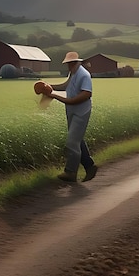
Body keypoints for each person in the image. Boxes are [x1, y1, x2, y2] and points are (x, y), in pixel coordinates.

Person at [46, 51, 98, 183]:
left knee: (71, 142)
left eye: (71, 63)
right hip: (72, 110)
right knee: (77, 140)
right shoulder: (73, 73)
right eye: (68, 64)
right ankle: (90, 166)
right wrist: (50, 87)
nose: (69, 66)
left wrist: (55, 96)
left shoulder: (84, 75)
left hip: (81, 111)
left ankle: (70, 172)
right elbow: (66, 85)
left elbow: (86, 94)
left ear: (77, 62)